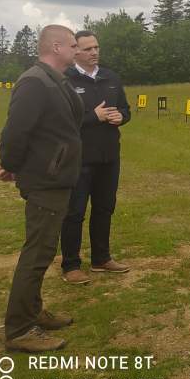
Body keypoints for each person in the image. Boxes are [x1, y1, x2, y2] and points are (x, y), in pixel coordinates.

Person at [0, 25, 84, 352]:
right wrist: (12, 164)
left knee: (43, 251)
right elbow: (15, 133)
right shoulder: (35, 81)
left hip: (55, 178)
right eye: (73, 45)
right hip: (46, 181)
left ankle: (32, 312)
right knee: (37, 253)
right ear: (56, 47)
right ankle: (19, 329)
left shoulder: (54, 80)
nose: (77, 50)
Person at [60, 30, 131, 284]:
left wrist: (121, 116)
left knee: (104, 208)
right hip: (79, 159)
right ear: (75, 51)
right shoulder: (64, 80)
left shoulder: (110, 77)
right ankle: (71, 265)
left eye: (96, 47)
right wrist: (94, 117)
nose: (94, 52)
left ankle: (101, 259)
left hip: (109, 156)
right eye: (88, 49)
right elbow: (61, 121)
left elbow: (125, 108)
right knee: (74, 212)